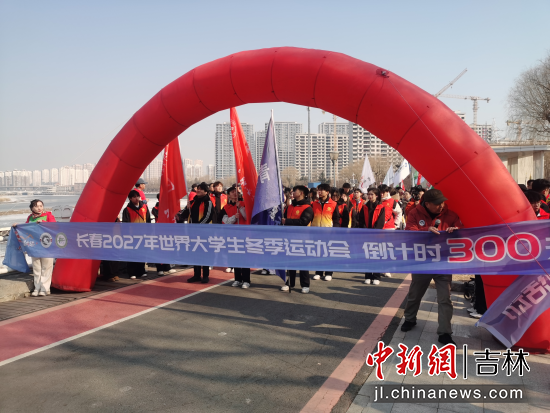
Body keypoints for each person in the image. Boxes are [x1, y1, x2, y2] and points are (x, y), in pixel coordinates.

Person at [401, 188, 462, 345]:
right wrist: (425, 230)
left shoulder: (451, 215)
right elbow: (409, 232)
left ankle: (445, 332)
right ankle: (410, 319)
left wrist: (456, 231)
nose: (441, 205)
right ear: (427, 204)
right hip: (422, 262)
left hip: (443, 263)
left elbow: (461, 230)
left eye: (442, 202)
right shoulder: (414, 213)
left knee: (445, 299)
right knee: (415, 294)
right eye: (437, 203)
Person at [12, 199, 56, 296]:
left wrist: (44, 223)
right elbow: (26, 228)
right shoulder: (30, 217)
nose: (39, 208)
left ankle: (45, 289)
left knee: (46, 267)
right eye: (36, 206)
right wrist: (18, 226)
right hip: (34, 246)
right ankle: (37, 288)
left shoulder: (48, 215)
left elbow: (54, 226)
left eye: (41, 206)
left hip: (47, 246)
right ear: (32, 208)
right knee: (36, 268)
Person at [177, 182, 213, 283]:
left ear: (206, 192)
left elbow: (208, 216)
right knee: (195, 254)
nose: (198, 190)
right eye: (198, 188)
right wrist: (187, 208)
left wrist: (198, 227)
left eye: (201, 189)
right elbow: (183, 216)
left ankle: (205, 275)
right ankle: (196, 275)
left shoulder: (208, 202)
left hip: (204, 232)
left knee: (204, 254)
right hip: (192, 232)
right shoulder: (192, 202)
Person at [282, 185, 314, 293]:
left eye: (294, 191)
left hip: (302, 239)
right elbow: (284, 219)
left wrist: (287, 222)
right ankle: (290, 283)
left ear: (301, 193)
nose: (292, 193)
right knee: (290, 262)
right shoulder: (290, 207)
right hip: (290, 238)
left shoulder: (307, 208)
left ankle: (305, 285)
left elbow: (303, 222)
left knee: (302, 262)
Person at [219, 187, 250, 287]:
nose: (235, 193)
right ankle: (237, 279)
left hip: (243, 235)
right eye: (232, 192)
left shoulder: (244, 204)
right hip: (232, 236)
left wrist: (240, 207)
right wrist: (234, 218)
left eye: (236, 192)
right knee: (234, 257)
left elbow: (246, 217)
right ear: (228, 195)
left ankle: (246, 280)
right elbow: (225, 222)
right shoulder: (225, 208)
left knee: (244, 258)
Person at [311, 183, 340, 281]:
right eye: (318, 190)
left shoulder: (333, 204)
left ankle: (328, 273)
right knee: (318, 253)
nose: (319, 192)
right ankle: (318, 272)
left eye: (321, 190)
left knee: (328, 253)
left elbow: (336, 219)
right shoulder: (314, 204)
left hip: (328, 233)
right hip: (316, 233)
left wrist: (335, 232)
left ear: (327, 192)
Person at [122, 190, 151, 279]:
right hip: (132, 236)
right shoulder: (127, 210)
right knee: (132, 254)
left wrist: (149, 232)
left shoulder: (144, 207)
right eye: (134, 197)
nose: (136, 198)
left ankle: (141, 271)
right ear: (130, 198)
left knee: (142, 253)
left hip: (143, 235)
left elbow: (148, 220)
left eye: (137, 196)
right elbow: (125, 224)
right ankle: (132, 272)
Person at [358, 188, 384, 285]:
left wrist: (374, 232)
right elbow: (361, 220)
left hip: (377, 235)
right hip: (366, 235)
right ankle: (368, 276)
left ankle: (376, 276)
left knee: (376, 255)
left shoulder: (381, 207)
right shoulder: (365, 206)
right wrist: (365, 230)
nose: (370, 196)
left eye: (372, 194)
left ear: (376, 195)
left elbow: (380, 222)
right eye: (368, 194)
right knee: (367, 255)